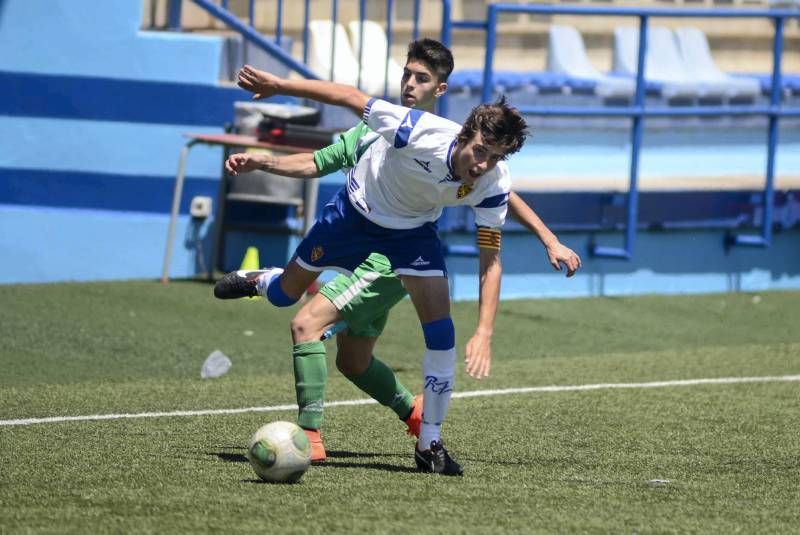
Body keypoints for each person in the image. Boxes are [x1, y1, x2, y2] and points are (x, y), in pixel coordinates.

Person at [215, 44, 539, 476]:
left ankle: (430, 444)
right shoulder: (411, 128)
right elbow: (346, 100)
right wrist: (279, 87)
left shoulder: (493, 180)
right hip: (353, 216)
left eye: (496, 157)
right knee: (285, 298)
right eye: (481, 151)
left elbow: (491, 258)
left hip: (410, 236)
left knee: (441, 331)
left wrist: (484, 332)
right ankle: (265, 280)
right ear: (464, 136)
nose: (484, 164)